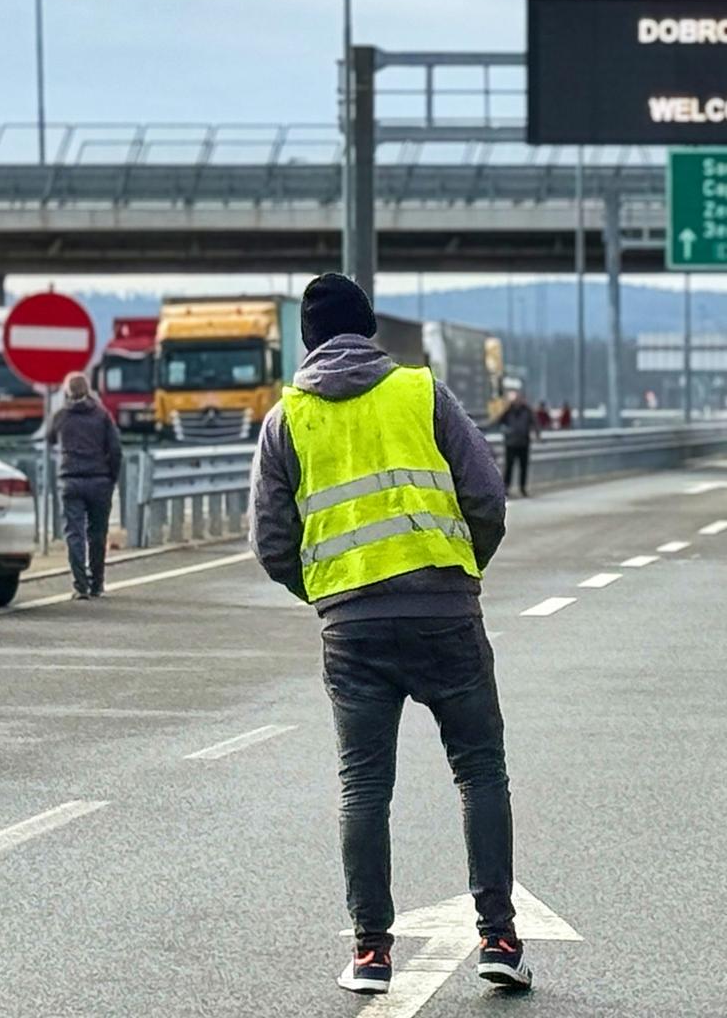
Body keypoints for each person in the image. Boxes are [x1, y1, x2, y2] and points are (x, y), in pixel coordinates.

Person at [248, 273, 532, 997]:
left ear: (309, 341)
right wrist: (461, 569)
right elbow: (486, 497)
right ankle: (498, 938)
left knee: (364, 786)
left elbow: (271, 540)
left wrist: (327, 591)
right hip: (445, 613)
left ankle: (372, 952)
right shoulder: (421, 392)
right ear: (369, 328)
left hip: (352, 628)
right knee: (480, 771)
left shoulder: (286, 421)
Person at [47, 370, 123, 599]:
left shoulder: (61, 415)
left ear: (67, 392)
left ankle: (80, 585)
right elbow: (116, 449)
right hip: (99, 480)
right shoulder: (101, 415)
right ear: (88, 391)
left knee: (74, 533)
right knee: (98, 533)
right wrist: (112, 477)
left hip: (70, 480)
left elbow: (49, 438)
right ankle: (97, 583)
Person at [494, 388, 538, 497]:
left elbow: (534, 423)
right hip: (511, 443)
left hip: (523, 443)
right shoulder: (509, 410)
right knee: (509, 467)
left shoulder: (527, 411)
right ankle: (506, 488)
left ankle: (522, 488)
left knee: (523, 467)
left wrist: (537, 434)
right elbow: (499, 421)